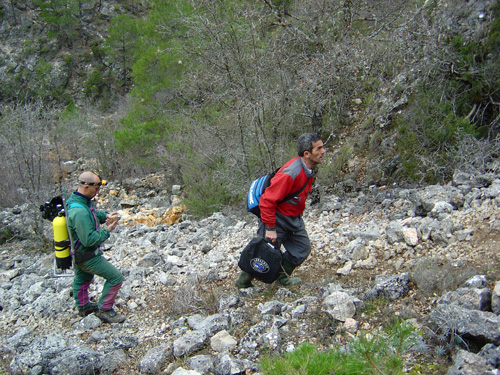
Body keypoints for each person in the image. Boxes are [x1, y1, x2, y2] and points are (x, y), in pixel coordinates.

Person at [235, 132, 326, 288]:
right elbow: (267, 200)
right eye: (319, 149)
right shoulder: (291, 173)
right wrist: (270, 227)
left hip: (293, 218)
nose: (323, 151)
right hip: (276, 218)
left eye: (322, 147)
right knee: (264, 251)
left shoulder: (309, 168)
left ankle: (281, 278)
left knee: (302, 248)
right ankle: (243, 282)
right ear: (306, 154)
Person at [66, 171, 125, 323]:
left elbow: (91, 215)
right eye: (96, 188)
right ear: (86, 186)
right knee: (115, 277)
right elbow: (89, 240)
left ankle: (83, 306)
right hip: (86, 255)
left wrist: (105, 216)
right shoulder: (79, 211)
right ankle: (105, 310)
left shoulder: (79, 201)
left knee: (83, 277)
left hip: (77, 254)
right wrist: (107, 231)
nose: (98, 191)